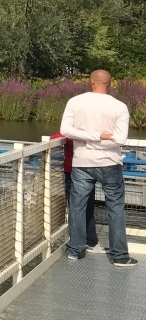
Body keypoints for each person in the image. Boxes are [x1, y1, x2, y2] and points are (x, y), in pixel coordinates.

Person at [61, 69, 137, 267]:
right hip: (109, 162)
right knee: (116, 208)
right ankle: (120, 256)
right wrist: (100, 136)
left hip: (82, 162)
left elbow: (65, 130)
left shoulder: (75, 102)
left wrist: (88, 137)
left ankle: (75, 250)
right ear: (110, 84)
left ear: (91, 82)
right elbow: (120, 139)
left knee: (77, 206)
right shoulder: (119, 106)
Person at [51, 132, 100, 253]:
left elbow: (54, 138)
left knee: (75, 208)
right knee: (88, 206)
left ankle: (77, 244)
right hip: (89, 170)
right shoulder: (89, 130)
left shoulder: (71, 131)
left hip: (72, 170)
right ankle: (91, 240)